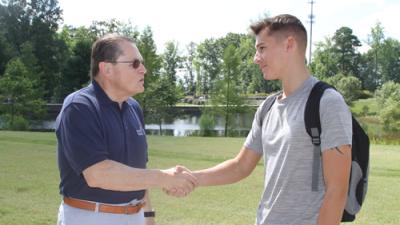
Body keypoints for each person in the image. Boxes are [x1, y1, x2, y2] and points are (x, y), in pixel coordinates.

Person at [172, 14, 353, 225]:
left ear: (289, 44)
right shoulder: (268, 107)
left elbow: (337, 190)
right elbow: (240, 166)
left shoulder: (327, 102)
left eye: (262, 48)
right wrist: (191, 177)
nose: (255, 58)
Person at [55, 34, 197, 225]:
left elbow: (138, 171)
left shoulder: (134, 108)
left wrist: (148, 216)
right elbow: (98, 174)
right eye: (135, 63)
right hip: (91, 217)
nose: (143, 70)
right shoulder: (80, 107)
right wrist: (164, 178)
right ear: (107, 69)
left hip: (135, 215)